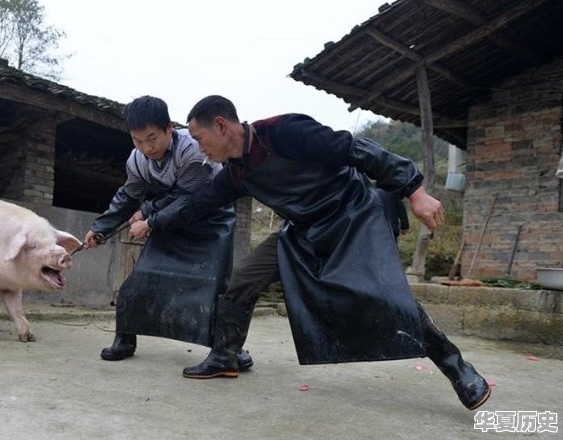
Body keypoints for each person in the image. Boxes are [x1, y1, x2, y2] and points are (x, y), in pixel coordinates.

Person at [135, 95, 490, 410]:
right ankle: (225, 355)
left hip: (351, 217)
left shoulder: (284, 131)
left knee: (384, 297)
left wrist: (415, 191)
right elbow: (198, 205)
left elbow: (357, 149)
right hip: (303, 232)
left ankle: (458, 368)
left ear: (222, 126)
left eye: (198, 138)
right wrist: (152, 222)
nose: (198, 148)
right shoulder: (235, 173)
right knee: (244, 276)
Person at [84, 96, 251, 371]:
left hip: (210, 222)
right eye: (137, 141)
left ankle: (230, 350)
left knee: (213, 288)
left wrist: (148, 218)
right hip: (169, 222)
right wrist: (100, 229)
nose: (146, 148)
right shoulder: (137, 159)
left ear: (168, 129)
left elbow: (188, 198)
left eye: (152, 138)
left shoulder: (193, 150)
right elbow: (128, 195)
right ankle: (124, 340)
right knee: (138, 281)